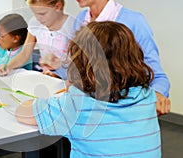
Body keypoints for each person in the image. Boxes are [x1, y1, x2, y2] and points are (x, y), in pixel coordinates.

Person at [15, 21, 161, 157]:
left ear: (80, 63)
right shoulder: (148, 96)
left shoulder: (78, 105)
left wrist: (71, 90)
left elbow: (22, 113)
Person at [73, 0, 170, 115]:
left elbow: (157, 75)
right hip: (89, 107)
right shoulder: (80, 19)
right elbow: (78, 66)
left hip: (122, 109)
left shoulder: (134, 21)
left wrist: (157, 94)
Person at [0, 0, 75, 79]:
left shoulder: (73, 26)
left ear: (57, 6)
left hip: (70, 79)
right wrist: (8, 66)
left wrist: (60, 70)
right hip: (48, 77)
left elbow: (80, 63)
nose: (38, 18)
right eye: (34, 13)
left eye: (42, 14)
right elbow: (24, 54)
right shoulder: (35, 23)